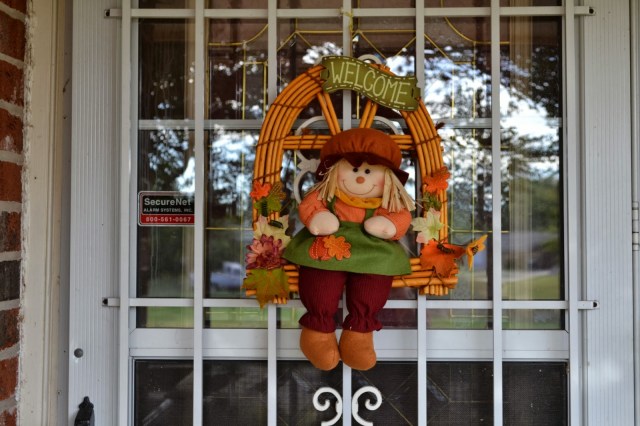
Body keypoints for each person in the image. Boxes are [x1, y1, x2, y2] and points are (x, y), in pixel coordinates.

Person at [284, 127, 415, 370]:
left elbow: (401, 216)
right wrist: (319, 217)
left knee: (372, 283)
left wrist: (389, 225)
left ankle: (359, 335)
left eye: (368, 171)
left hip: (373, 251)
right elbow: (311, 205)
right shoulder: (326, 195)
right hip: (330, 244)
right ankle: (317, 332)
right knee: (320, 278)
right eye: (354, 170)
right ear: (334, 170)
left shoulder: (388, 202)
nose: (361, 178)